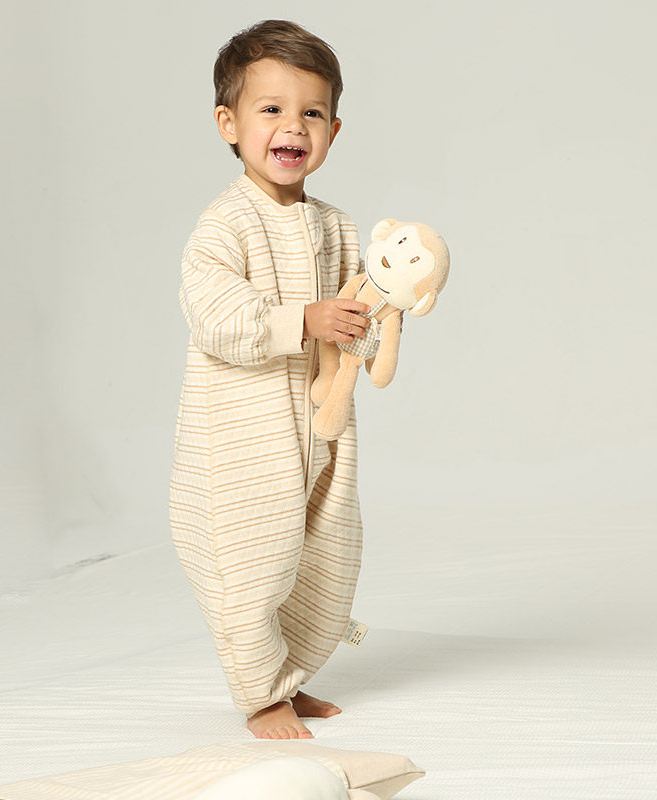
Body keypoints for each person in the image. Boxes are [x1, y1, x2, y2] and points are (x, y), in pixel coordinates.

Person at [169, 19, 371, 740]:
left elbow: (359, 309)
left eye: (312, 112)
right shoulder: (225, 225)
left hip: (320, 428)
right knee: (254, 564)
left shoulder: (338, 226)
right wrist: (306, 320)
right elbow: (216, 318)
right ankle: (260, 695)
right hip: (245, 442)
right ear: (229, 123)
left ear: (333, 131)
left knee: (324, 557)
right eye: (272, 108)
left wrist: (384, 308)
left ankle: (290, 675)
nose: (293, 126)